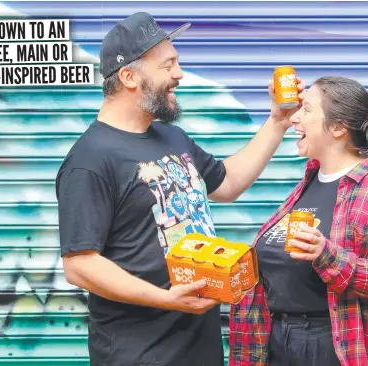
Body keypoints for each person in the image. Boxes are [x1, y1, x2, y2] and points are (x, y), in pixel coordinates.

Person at [55, 12, 303, 366]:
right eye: (167, 65)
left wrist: (277, 121)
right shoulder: (90, 161)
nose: (179, 74)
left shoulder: (171, 136)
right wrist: (165, 298)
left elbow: (228, 183)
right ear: (128, 76)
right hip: (139, 354)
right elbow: (80, 265)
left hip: (198, 347)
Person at [229, 76, 368, 366]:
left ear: (338, 127)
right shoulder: (307, 184)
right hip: (275, 342)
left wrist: (328, 256)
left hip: (332, 348)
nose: (295, 118)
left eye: (308, 110)